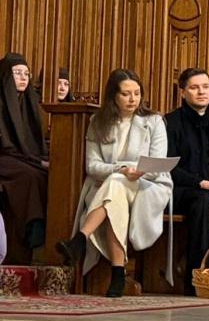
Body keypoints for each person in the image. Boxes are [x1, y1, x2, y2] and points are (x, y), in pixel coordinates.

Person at [59, 69, 172, 297]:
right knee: (116, 191)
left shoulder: (154, 121)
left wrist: (130, 170)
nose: (133, 99)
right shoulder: (98, 122)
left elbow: (157, 165)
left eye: (137, 93)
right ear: (113, 96)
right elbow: (92, 166)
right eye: (126, 94)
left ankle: (81, 238)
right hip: (110, 185)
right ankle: (118, 274)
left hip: (148, 184)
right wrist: (120, 170)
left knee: (115, 184)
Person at [165, 68, 209, 295]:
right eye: (194, 88)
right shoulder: (171, 122)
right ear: (183, 92)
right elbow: (169, 166)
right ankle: (201, 279)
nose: (202, 92)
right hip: (183, 190)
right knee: (207, 201)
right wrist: (202, 183)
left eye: (206, 87)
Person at [0, 53, 49, 262]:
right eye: (17, 73)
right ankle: (32, 227)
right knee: (29, 175)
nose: (23, 78)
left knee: (45, 174)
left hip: (22, 157)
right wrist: (38, 161)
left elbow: (34, 142)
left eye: (26, 74)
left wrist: (40, 160)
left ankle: (39, 227)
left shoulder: (29, 102)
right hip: (3, 157)